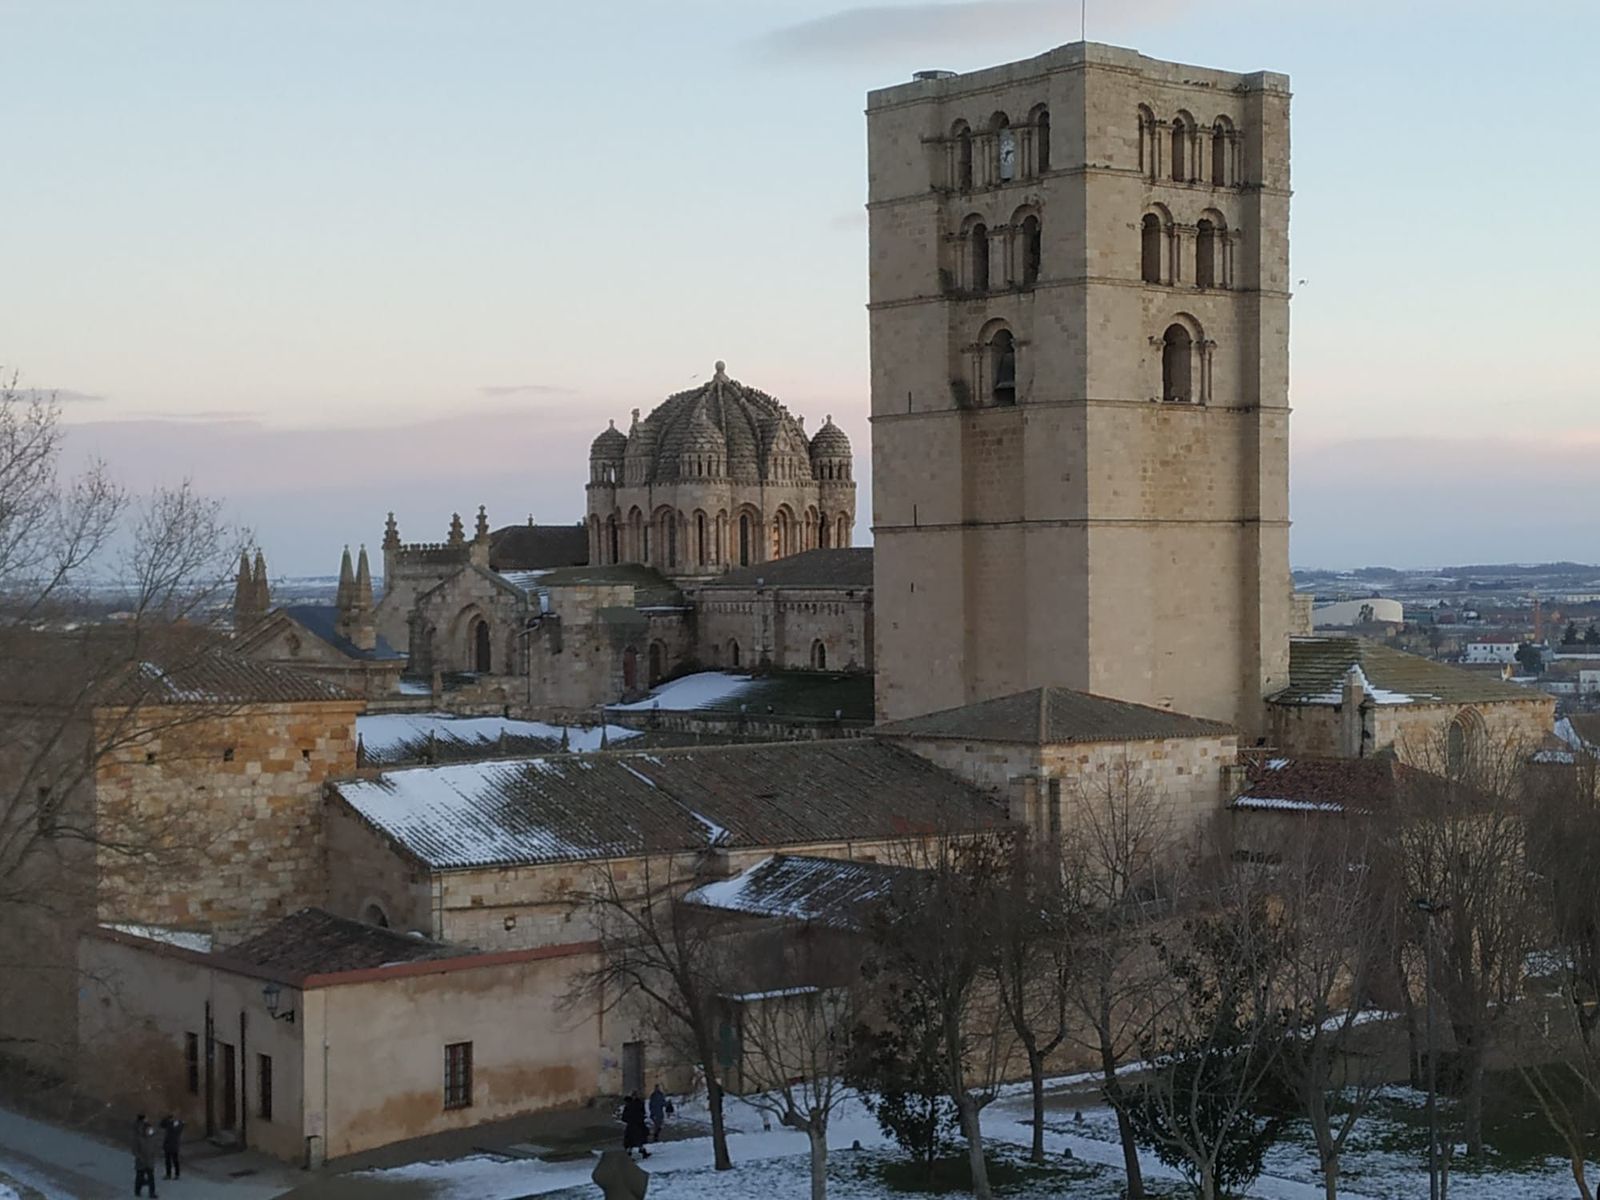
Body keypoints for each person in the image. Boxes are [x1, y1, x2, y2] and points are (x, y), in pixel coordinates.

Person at [132, 1115, 159, 1197]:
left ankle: (152, 1193)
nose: (150, 1131)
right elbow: (135, 1150)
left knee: (151, 1178)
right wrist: (140, 1158)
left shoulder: (152, 1138)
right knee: (139, 1178)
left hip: (150, 1161)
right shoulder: (139, 1138)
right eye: (148, 1130)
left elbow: (154, 1148)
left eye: (151, 1130)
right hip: (141, 1162)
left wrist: (154, 1156)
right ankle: (137, 1191)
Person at [620, 1091, 650, 1159]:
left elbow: (624, 1116)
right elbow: (641, 1113)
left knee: (634, 1140)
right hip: (636, 1124)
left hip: (634, 1125)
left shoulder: (633, 1104)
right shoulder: (636, 1104)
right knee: (635, 1140)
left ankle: (636, 1152)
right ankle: (634, 1153)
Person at [159, 1114, 183, 1180]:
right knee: (168, 1161)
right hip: (168, 1145)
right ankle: (168, 1174)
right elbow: (161, 1125)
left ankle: (177, 1174)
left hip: (174, 1145)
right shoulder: (169, 1123)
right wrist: (166, 1118)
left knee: (175, 1161)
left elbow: (175, 1130)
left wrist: (169, 1122)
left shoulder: (178, 1124)